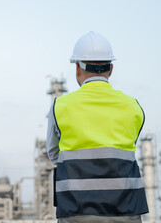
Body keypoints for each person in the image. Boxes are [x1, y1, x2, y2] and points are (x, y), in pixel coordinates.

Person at [47, 31, 149, 223]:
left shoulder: (59, 106)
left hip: (75, 211)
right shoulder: (133, 106)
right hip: (126, 210)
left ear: (77, 68)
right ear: (110, 69)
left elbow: (53, 155)